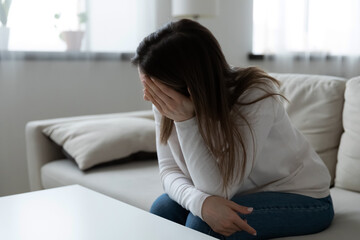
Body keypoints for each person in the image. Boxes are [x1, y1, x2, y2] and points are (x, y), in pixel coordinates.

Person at [131, 19, 334, 239]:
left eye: (153, 87)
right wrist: (201, 202)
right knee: (162, 210)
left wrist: (185, 121)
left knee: (203, 226)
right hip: (240, 193)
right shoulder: (164, 99)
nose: (148, 96)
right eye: (146, 85)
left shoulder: (254, 94)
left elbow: (220, 190)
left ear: (189, 84)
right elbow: (169, 171)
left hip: (303, 197)